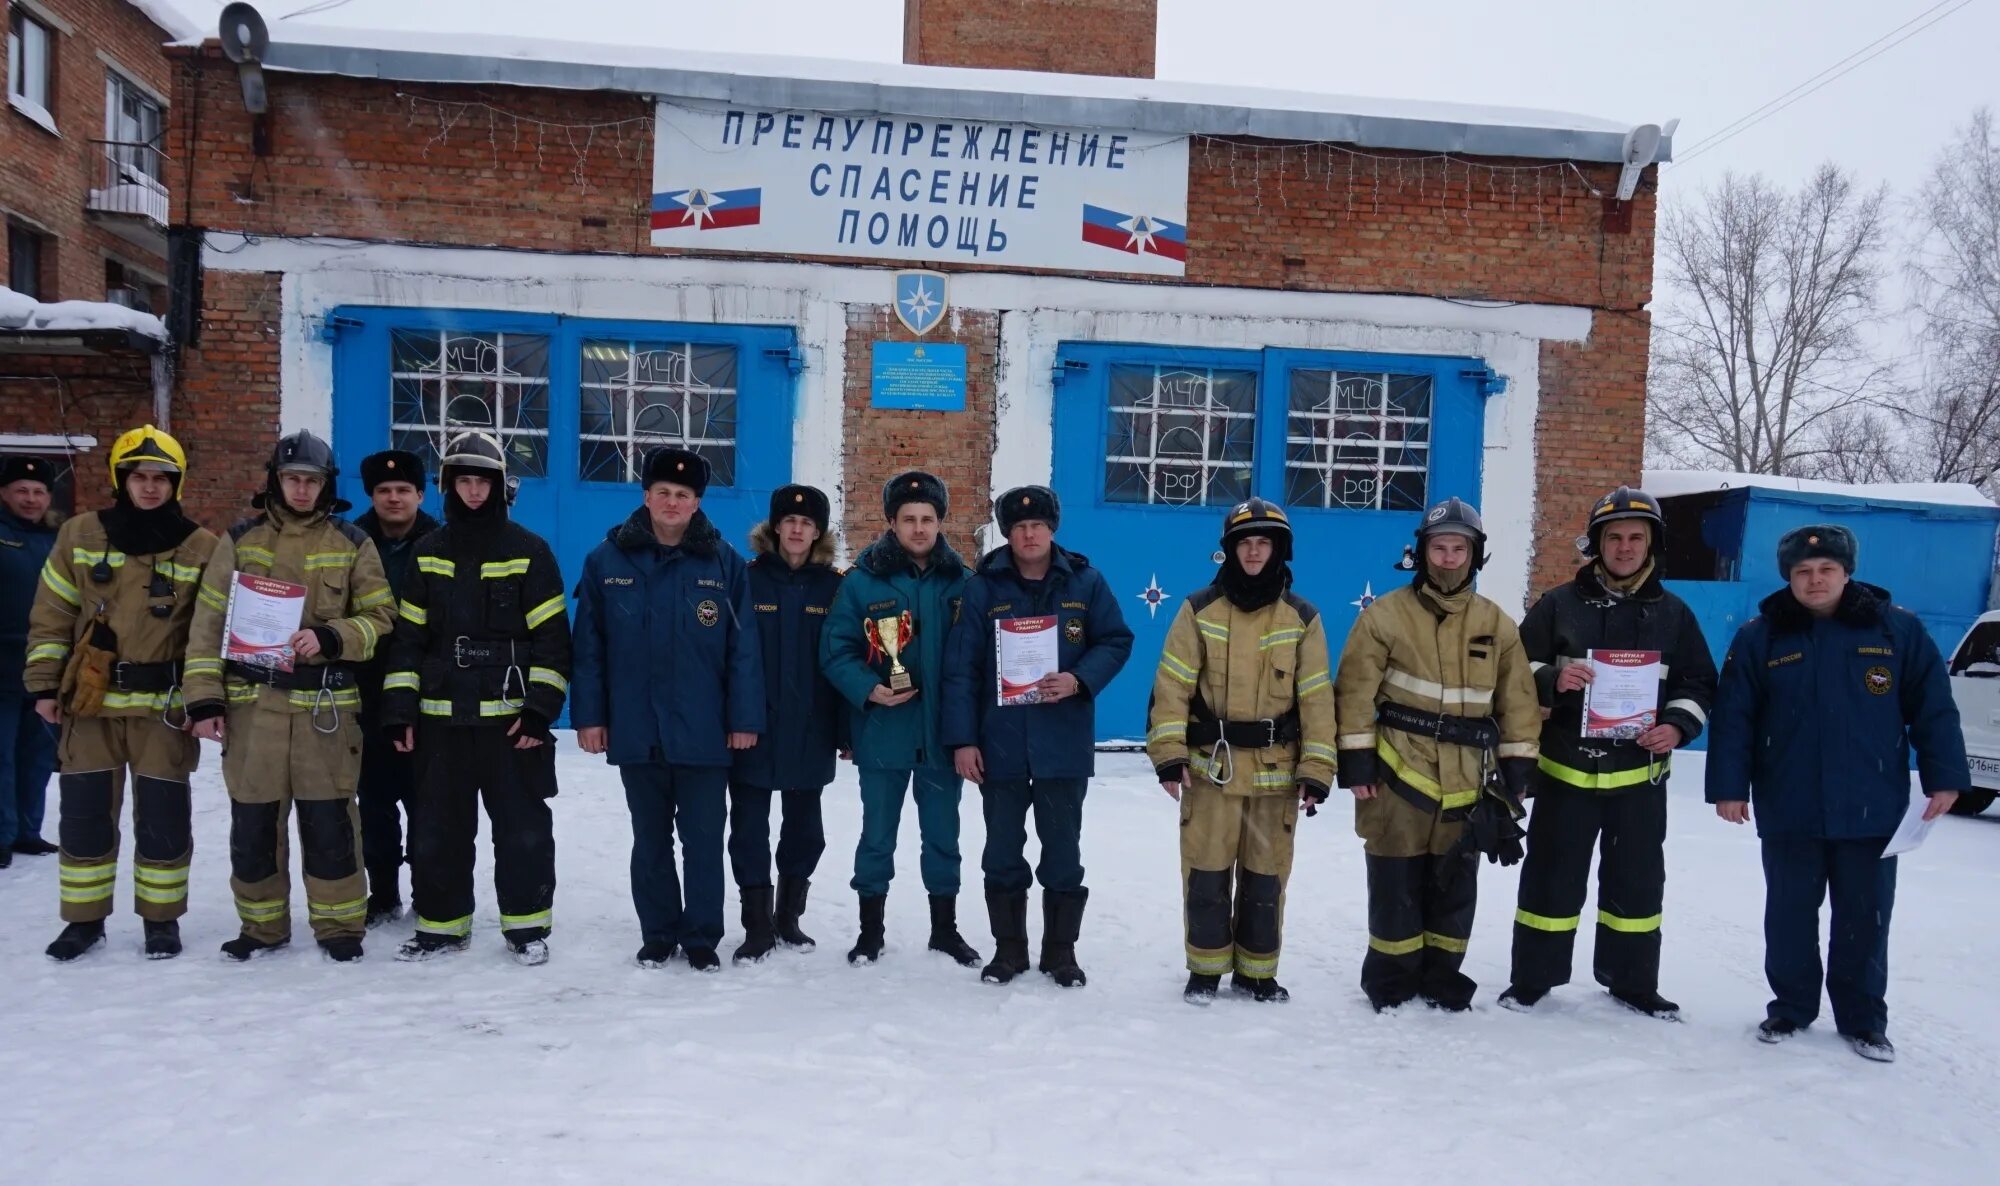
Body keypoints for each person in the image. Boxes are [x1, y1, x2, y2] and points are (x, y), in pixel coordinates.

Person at [1706, 524, 1965, 1063]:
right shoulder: (1762, 637)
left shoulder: (1897, 632)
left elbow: (1933, 708)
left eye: (1826, 570)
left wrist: (1945, 776)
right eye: (1803, 572)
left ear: (1847, 573)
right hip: (1789, 804)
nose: (1815, 580)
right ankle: (1791, 1007)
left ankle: (1864, 1019)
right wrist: (1729, 787)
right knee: (1789, 915)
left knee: (1864, 918)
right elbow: (1735, 718)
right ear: (1789, 578)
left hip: (1870, 806)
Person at [1501, 487, 1716, 1020]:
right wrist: (1551, 677)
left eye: (1635, 538)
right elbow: (1511, 673)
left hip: (1638, 780)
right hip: (1566, 773)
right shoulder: (1557, 605)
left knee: (1637, 888)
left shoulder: (1675, 614)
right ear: (1596, 544)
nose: (1624, 547)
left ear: (1652, 544)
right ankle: (1534, 978)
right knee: (1550, 880)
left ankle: (1632, 981)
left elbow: (1699, 682)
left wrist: (1676, 725)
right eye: (1613, 537)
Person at [185, 431, 396, 963]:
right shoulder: (239, 541)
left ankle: (339, 926)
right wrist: (205, 700)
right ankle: (261, 926)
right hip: (253, 708)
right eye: (292, 478)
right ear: (275, 481)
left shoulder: (352, 542)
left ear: (327, 484)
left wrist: (332, 636)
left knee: (330, 823)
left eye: (312, 480)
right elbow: (207, 624)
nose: (301, 489)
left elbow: (382, 618)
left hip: (325, 709)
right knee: (254, 823)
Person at [1333, 497, 1540, 1012]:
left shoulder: (1497, 624)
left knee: (1453, 883)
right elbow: (1354, 693)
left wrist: (1518, 770)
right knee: (1395, 880)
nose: (1449, 558)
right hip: (1397, 772)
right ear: (1421, 553)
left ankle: (1444, 977)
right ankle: (1391, 980)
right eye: (1439, 548)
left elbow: (1517, 700)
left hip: (1468, 779)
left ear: (1475, 556)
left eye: (1459, 548)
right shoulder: (1383, 616)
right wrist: (1357, 762)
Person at [377, 431, 571, 966]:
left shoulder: (529, 551)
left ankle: (527, 928)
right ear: (448, 486)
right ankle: (441, 927)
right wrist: (399, 711)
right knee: (437, 830)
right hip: (440, 721)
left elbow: (553, 640)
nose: (473, 491)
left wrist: (539, 710)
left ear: (498, 485)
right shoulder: (429, 552)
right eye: (463, 480)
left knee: (523, 832)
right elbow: (409, 640)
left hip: (511, 723)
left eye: (481, 480)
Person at [27, 427, 217, 960]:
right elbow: (51, 615)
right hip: (89, 707)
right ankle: (84, 922)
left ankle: (161, 920)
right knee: (84, 816)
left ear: (176, 484)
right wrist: (44, 684)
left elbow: (209, 631)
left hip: (162, 708)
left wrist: (200, 698)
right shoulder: (81, 535)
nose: (151, 487)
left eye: (162, 478)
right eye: (140, 476)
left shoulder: (201, 545)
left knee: (164, 819)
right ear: (121, 479)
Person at [572, 446, 761, 972]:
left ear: (697, 502)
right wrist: (589, 716)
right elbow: (589, 645)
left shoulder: (724, 563)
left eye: (683, 494)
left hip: (704, 729)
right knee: (649, 838)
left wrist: (743, 720)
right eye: (663, 492)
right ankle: (657, 932)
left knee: (703, 841)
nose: (672, 502)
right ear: (646, 497)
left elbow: (743, 651)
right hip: (637, 726)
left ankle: (700, 936)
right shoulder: (606, 560)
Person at [1145, 498, 1336, 1005]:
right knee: (1205, 874)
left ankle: (1258, 973)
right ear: (1230, 551)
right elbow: (1171, 688)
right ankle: (1204, 969)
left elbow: (1317, 698)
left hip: (1277, 773)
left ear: (1278, 551)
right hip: (1212, 771)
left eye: (1263, 543)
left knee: (1266, 879)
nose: (1254, 553)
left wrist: (1317, 768)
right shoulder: (1197, 610)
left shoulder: (1303, 618)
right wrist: (1169, 754)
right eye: (1245, 544)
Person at [943, 485, 1133, 988]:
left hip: (1062, 744)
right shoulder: (982, 588)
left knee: (1063, 855)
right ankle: (1009, 953)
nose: (1030, 534)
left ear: (1053, 529)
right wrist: (963, 741)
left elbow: (1116, 640)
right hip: (999, 745)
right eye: (1020, 526)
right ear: (1007, 533)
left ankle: (1060, 953)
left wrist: (1078, 679)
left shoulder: (1086, 582)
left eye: (1039, 525)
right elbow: (961, 669)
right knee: (1002, 853)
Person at [820, 471, 981, 969]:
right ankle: (871, 931)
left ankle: (945, 930)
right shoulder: (863, 582)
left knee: (943, 837)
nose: (918, 528)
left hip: (941, 737)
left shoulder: (964, 583)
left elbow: (979, 656)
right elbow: (835, 650)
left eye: (927, 519)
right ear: (891, 522)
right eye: (908, 519)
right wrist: (869, 689)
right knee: (876, 837)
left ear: (940, 524)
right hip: (884, 735)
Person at [728, 483, 843, 962]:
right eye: (790, 521)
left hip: (810, 730)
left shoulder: (835, 586)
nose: (797, 530)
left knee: (805, 831)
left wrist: (844, 730)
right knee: (749, 830)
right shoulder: (745, 579)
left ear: (818, 533)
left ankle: (788, 918)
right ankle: (756, 924)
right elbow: (730, 655)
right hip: (754, 728)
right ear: (775, 527)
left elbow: (844, 659)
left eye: (808, 523)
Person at [353, 449, 440, 926]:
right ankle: (383, 893)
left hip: (426, 695)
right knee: (375, 802)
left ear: (420, 495)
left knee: (427, 802)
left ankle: (428, 892)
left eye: (403, 490)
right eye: (384, 491)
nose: (393, 498)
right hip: (364, 691)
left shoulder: (441, 542)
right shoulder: (351, 540)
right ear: (372, 495)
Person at [1, 456, 61, 869]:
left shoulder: (57, 540)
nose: (31, 498)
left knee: (37, 754)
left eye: (38, 491)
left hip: (45, 669)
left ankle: (27, 829)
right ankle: (2, 833)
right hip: (1, 666)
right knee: (1, 754)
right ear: (4, 493)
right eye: (22, 490)